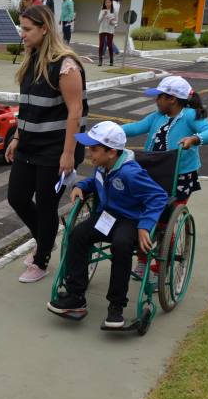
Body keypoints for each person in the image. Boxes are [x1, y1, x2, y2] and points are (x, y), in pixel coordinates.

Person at [47, 121, 168, 328]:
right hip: (107, 217)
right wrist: (81, 186)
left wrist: (145, 226)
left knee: (121, 245)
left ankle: (116, 307)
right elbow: (97, 182)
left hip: (130, 220)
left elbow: (158, 196)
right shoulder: (103, 166)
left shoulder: (130, 173)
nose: (88, 152)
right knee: (77, 234)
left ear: (111, 152)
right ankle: (76, 296)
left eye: (94, 149)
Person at [4, 4, 88, 283]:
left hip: (56, 149)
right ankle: (45, 238)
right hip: (29, 144)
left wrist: (68, 153)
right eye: (21, 28)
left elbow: (75, 112)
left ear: (44, 29)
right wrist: (17, 137)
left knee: (45, 204)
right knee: (16, 196)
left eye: (27, 29)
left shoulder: (66, 65)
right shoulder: (31, 59)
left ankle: (41, 261)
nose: (22, 34)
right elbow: (26, 106)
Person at [121, 76, 208, 277]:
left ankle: (161, 266)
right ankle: (142, 261)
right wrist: (110, 131)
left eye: (159, 97)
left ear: (172, 99)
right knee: (143, 217)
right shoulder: (156, 117)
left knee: (165, 222)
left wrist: (194, 139)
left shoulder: (191, 116)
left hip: (180, 177)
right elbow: (134, 128)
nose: (155, 100)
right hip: (152, 174)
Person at [98, 0, 117, 66]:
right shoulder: (102, 10)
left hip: (110, 30)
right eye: (106, 2)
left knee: (110, 45)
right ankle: (100, 60)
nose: (107, 3)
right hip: (102, 29)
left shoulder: (114, 11)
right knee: (101, 45)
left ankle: (111, 60)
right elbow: (98, 21)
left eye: (109, 2)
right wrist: (103, 15)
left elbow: (116, 22)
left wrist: (112, 22)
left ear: (111, 3)